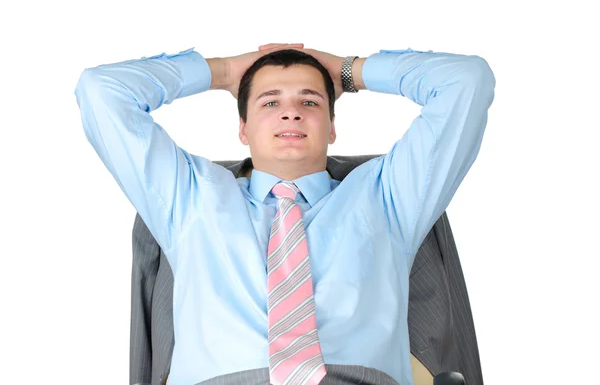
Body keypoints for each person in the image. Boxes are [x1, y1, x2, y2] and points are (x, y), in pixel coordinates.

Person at [74, 42, 495, 385]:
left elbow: (466, 81)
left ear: (332, 127)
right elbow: (101, 91)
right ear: (243, 129)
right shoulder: (189, 196)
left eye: (309, 101)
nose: (290, 112)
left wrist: (348, 71)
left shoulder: (388, 196)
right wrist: (222, 72)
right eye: (270, 102)